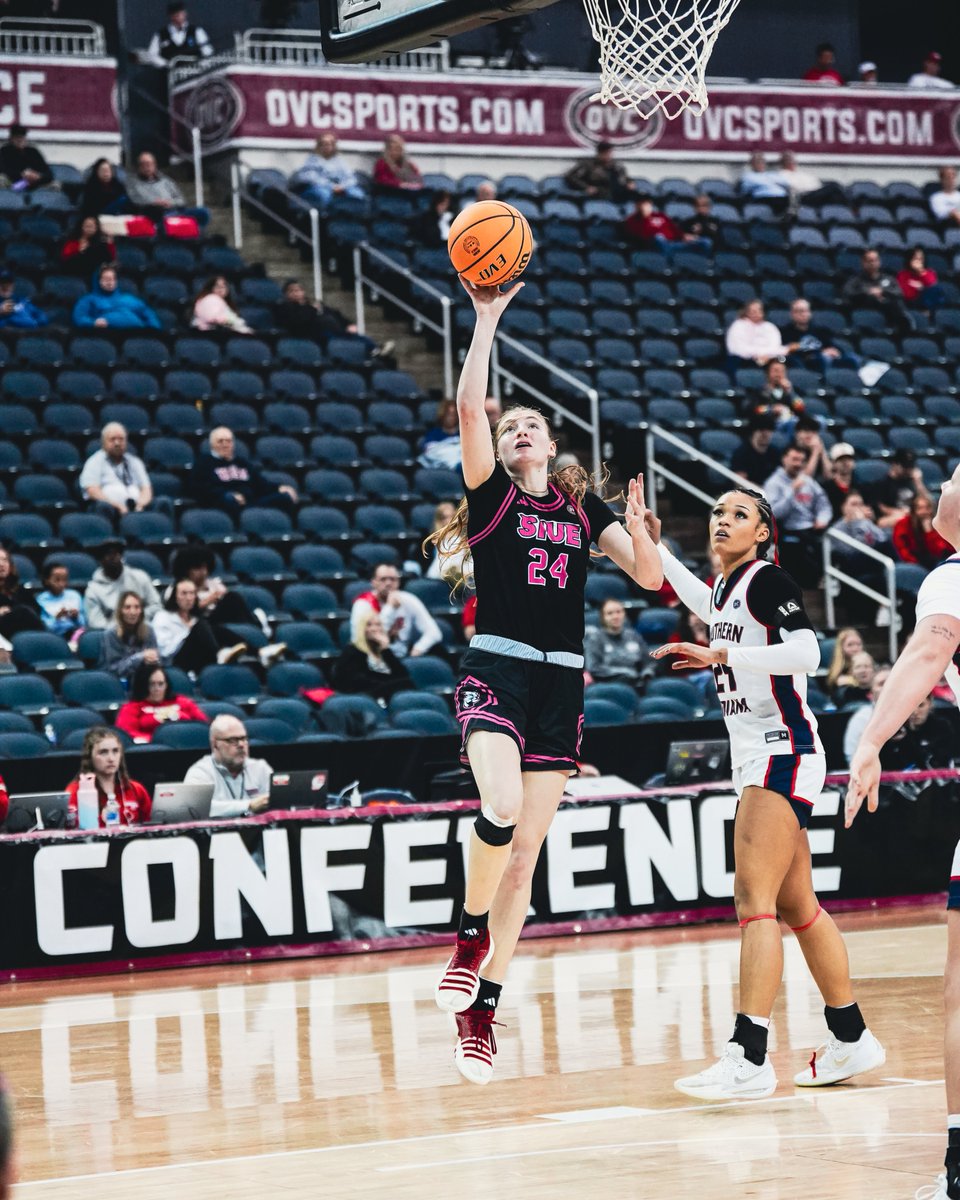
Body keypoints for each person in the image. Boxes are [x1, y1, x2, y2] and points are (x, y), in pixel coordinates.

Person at [426, 275, 662, 1086]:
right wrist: (486, 319)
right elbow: (468, 409)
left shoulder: (579, 505)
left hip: (564, 683)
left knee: (525, 861)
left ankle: (480, 1011)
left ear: (552, 446)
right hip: (498, 667)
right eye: (512, 423)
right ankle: (466, 938)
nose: (521, 428)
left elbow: (647, 580)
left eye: (533, 424)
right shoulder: (491, 498)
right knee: (495, 808)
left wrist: (638, 533)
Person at [640, 484, 884, 1101]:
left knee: (753, 902)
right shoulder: (727, 587)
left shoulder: (768, 581)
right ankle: (851, 1037)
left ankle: (749, 1057)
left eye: (738, 514)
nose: (723, 520)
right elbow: (703, 600)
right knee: (800, 906)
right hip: (765, 755)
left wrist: (721, 651)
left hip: (783, 751)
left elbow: (808, 651)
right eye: (718, 512)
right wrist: (655, 545)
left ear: (763, 532)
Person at [846, 461, 960, 1200]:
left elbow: (929, 648)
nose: (941, 489)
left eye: (953, 479)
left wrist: (870, 741)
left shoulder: (952, 576)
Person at [169, 544, 285, 668]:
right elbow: (182, 613)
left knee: (232, 598)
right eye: (198, 568)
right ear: (186, 569)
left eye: (205, 567)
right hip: (194, 632)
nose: (203, 572)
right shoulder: (176, 589)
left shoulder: (212, 584)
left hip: (213, 622)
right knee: (204, 624)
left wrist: (220, 596)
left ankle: (260, 641)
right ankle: (222, 653)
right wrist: (207, 601)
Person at [763, 444, 833, 587]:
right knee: (801, 553)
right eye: (794, 460)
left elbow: (824, 504)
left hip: (811, 528)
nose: (798, 464)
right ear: (784, 459)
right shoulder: (774, 483)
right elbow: (774, 513)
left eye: (801, 460)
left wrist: (822, 518)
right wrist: (791, 491)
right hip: (788, 530)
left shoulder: (808, 481)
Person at [191, 426, 298, 514]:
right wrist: (228, 494)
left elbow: (261, 484)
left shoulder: (242, 463)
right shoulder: (203, 462)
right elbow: (199, 488)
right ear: (212, 445)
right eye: (220, 441)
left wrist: (280, 488)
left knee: (286, 497)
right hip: (225, 504)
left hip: (252, 503)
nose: (225, 445)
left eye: (228, 441)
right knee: (229, 500)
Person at [184, 714, 272, 818]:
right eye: (233, 740)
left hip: (256, 832)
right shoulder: (200, 772)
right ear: (215, 744)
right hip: (216, 833)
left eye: (244, 739)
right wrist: (248, 805)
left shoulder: (260, 768)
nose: (241, 745)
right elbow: (195, 809)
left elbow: (277, 804)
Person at [152, 578, 246, 673]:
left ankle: (257, 651)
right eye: (184, 593)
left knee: (215, 629)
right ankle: (220, 655)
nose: (188, 598)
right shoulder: (162, 617)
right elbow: (164, 651)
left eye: (192, 593)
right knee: (200, 625)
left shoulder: (194, 617)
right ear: (175, 597)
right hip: (174, 662)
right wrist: (186, 634)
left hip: (197, 658)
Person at [350, 562, 443, 659]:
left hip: (403, 658)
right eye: (383, 579)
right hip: (372, 657)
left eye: (393, 579)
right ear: (373, 582)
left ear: (398, 582)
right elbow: (369, 639)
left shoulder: (408, 600)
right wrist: (390, 608)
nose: (388, 583)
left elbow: (434, 633)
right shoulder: (363, 604)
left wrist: (418, 649)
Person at [65, 726, 152, 827]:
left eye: (115, 751)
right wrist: (101, 820)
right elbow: (71, 831)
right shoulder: (76, 791)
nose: (111, 758)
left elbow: (151, 826)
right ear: (90, 757)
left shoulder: (136, 789)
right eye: (103, 752)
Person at [273, 278, 383, 356]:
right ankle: (372, 351)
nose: (297, 293)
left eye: (299, 290)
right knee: (344, 341)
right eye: (292, 291)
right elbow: (298, 322)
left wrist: (349, 324)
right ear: (286, 294)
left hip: (336, 330)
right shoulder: (285, 307)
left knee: (356, 336)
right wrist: (312, 309)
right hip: (316, 335)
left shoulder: (313, 304)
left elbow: (335, 314)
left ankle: (376, 349)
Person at [330, 610, 412, 703]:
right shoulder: (352, 650)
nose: (374, 629)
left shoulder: (384, 651)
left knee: (407, 684)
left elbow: (402, 674)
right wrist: (386, 682)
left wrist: (385, 650)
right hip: (363, 695)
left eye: (378, 625)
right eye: (369, 625)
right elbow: (352, 681)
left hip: (386, 693)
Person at [116, 661, 207, 743]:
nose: (157, 689)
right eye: (152, 684)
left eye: (160, 684)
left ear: (166, 685)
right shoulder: (130, 708)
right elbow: (127, 735)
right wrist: (158, 741)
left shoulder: (183, 702)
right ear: (142, 685)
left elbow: (203, 725)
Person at [85, 538, 161, 631]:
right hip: (112, 635)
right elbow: (95, 622)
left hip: (142, 629)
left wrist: (135, 618)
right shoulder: (93, 589)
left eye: (116, 554)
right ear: (101, 560)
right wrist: (121, 626)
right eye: (108, 554)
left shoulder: (140, 577)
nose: (113, 558)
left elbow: (156, 605)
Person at [79, 422, 154, 516]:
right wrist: (117, 505)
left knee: (162, 502)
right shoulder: (94, 462)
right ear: (103, 442)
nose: (117, 443)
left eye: (121, 439)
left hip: (137, 508)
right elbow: (92, 491)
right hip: (110, 508)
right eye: (112, 439)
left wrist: (141, 504)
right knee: (103, 506)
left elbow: (146, 489)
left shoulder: (135, 462)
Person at [125, 150, 208, 227]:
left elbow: (181, 200)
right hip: (155, 213)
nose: (147, 167)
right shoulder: (133, 183)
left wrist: (170, 203)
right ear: (139, 167)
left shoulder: (166, 181)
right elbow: (135, 200)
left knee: (203, 212)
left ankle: (198, 238)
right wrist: (154, 203)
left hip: (174, 210)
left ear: (155, 165)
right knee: (160, 215)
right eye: (144, 164)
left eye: (150, 163)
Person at [73, 264, 162, 330]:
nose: (110, 282)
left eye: (112, 279)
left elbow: (148, 313)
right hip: (107, 336)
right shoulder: (88, 299)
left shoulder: (129, 299)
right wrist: (93, 323)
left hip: (136, 335)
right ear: (98, 281)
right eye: (106, 279)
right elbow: (79, 317)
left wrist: (153, 328)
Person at [842, 248, 911, 333]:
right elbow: (848, 294)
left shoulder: (889, 279)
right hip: (866, 310)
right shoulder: (855, 280)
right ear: (863, 263)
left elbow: (899, 293)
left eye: (875, 260)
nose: (873, 263)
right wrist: (868, 292)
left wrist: (883, 291)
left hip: (889, 311)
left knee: (898, 304)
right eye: (870, 261)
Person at [289, 133, 365, 211]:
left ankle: (353, 218)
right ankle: (325, 217)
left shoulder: (339, 161)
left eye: (330, 144)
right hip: (320, 188)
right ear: (319, 146)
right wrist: (331, 186)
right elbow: (310, 178)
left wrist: (343, 186)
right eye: (324, 144)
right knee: (323, 194)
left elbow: (351, 178)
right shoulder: (312, 160)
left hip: (339, 187)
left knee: (357, 193)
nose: (327, 146)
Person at [584, 598, 648, 687]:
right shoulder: (595, 639)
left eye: (618, 612)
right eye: (610, 613)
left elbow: (648, 662)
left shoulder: (634, 636)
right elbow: (594, 668)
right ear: (603, 617)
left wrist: (646, 674)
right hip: (607, 684)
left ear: (624, 614)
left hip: (636, 683)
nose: (615, 616)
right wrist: (625, 673)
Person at [99, 590, 161, 678]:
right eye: (127, 607)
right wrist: (140, 658)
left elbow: (158, 660)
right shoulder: (111, 634)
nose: (133, 612)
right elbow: (113, 670)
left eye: (137, 607)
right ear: (120, 611)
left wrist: (153, 659)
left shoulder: (149, 630)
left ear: (141, 611)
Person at [779, 298, 850, 373]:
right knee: (822, 359)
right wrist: (820, 352)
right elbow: (789, 351)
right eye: (798, 311)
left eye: (805, 311)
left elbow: (831, 345)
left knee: (850, 358)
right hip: (803, 363)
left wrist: (835, 351)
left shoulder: (820, 330)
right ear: (792, 314)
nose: (802, 314)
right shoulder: (785, 332)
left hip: (825, 360)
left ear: (810, 313)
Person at [866, 448, 928, 528]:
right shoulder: (882, 483)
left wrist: (919, 483)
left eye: (911, 467)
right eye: (905, 467)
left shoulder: (912, 482)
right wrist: (900, 512)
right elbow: (880, 507)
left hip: (911, 517)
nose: (908, 470)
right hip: (892, 518)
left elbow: (928, 503)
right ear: (895, 464)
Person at [842, 666, 890, 764]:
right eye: (881, 684)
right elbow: (851, 755)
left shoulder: (913, 711)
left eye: (891, 682)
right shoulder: (861, 718)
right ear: (871, 693)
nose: (887, 686)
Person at [893, 492, 953, 568]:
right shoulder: (903, 524)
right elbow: (902, 549)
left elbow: (938, 552)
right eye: (919, 508)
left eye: (927, 508)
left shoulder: (938, 523)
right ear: (913, 510)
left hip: (935, 561)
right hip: (914, 563)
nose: (924, 512)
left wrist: (929, 532)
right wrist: (915, 564)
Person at [144, 3, 213, 68]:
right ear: (171, 16)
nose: (180, 16)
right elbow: (152, 55)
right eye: (177, 14)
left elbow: (207, 50)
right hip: (172, 76)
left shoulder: (196, 31)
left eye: (182, 13)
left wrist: (202, 64)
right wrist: (166, 64)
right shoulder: (160, 35)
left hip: (195, 72)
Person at [564, 141, 634, 201]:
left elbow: (625, 177)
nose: (608, 156)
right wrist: (586, 187)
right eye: (605, 153)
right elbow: (571, 176)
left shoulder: (617, 166)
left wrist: (629, 182)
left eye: (610, 153)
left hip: (618, 194)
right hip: (599, 194)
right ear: (599, 153)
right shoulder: (588, 165)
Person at [0, 546, 44, 641]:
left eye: (5, 560)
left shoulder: (20, 589)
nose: (1, 564)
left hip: (27, 633)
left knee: (23, 611)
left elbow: (36, 611)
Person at [725, 300, 784, 368]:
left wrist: (767, 356)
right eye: (753, 311)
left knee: (783, 359)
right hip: (746, 359)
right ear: (746, 312)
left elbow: (775, 346)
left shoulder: (770, 327)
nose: (756, 313)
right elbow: (736, 349)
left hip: (769, 358)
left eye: (759, 310)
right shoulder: (738, 326)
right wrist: (758, 355)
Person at [36, 561, 85, 643]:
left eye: (65, 579)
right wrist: (57, 619)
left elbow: (84, 623)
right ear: (47, 580)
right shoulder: (40, 600)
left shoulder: (75, 596)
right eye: (57, 580)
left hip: (76, 636)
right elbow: (42, 628)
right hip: (53, 638)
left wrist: (76, 617)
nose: (62, 584)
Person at [774, 152, 845, 207]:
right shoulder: (781, 174)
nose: (791, 162)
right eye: (788, 160)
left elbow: (814, 181)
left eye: (792, 160)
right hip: (804, 197)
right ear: (782, 162)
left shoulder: (799, 173)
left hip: (815, 191)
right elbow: (795, 188)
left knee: (834, 188)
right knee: (834, 187)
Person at [749, 358, 805, 427]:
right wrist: (771, 409)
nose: (779, 374)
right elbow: (753, 410)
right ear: (767, 373)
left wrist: (790, 392)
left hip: (790, 423)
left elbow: (800, 409)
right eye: (775, 371)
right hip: (767, 425)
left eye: (782, 371)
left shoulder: (793, 391)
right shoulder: (758, 391)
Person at [731, 413, 779, 485]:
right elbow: (740, 483)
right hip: (750, 493)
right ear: (753, 431)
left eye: (769, 430)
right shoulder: (741, 453)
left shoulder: (775, 452)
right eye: (761, 430)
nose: (765, 434)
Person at [0, 123, 52, 191]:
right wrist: (22, 175)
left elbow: (47, 172)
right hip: (13, 183)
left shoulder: (33, 151)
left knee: (61, 186)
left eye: (22, 137)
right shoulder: (4, 151)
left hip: (35, 183)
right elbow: (3, 170)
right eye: (17, 137)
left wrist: (38, 176)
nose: (20, 140)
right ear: (11, 138)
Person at [418, 397, 461, 469]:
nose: (451, 417)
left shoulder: (462, 435)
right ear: (442, 415)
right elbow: (430, 453)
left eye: (454, 414)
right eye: (448, 414)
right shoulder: (433, 434)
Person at [897, 246, 944, 312]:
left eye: (921, 259)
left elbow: (933, 289)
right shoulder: (902, 274)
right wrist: (921, 288)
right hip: (910, 305)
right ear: (909, 260)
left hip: (929, 305)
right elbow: (908, 294)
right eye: (915, 259)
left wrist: (921, 272)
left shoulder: (930, 272)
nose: (919, 262)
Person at [825, 626, 865, 696]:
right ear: (841, 647)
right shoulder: (838, 671)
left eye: (858, 644)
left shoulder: (870, 664)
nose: (855, 648)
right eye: (850, 645)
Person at [823, 443, 857, 518]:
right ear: (833, 463)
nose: (845, 462)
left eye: (849, 459)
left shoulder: (860, 486)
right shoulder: (826, 488)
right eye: (841, 460)